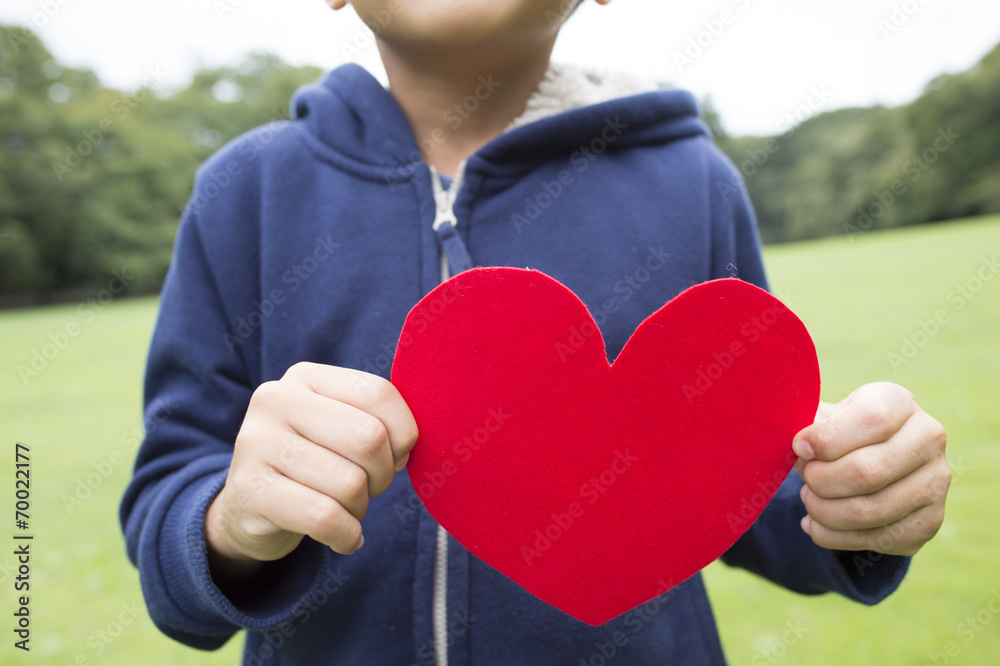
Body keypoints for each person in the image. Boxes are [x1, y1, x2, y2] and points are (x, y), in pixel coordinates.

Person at [119, 1, 951, 664]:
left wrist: (851, 499)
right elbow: (171, 504)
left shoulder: (689, 184)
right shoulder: (246, 194)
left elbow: (748, 484)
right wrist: (229, 524)